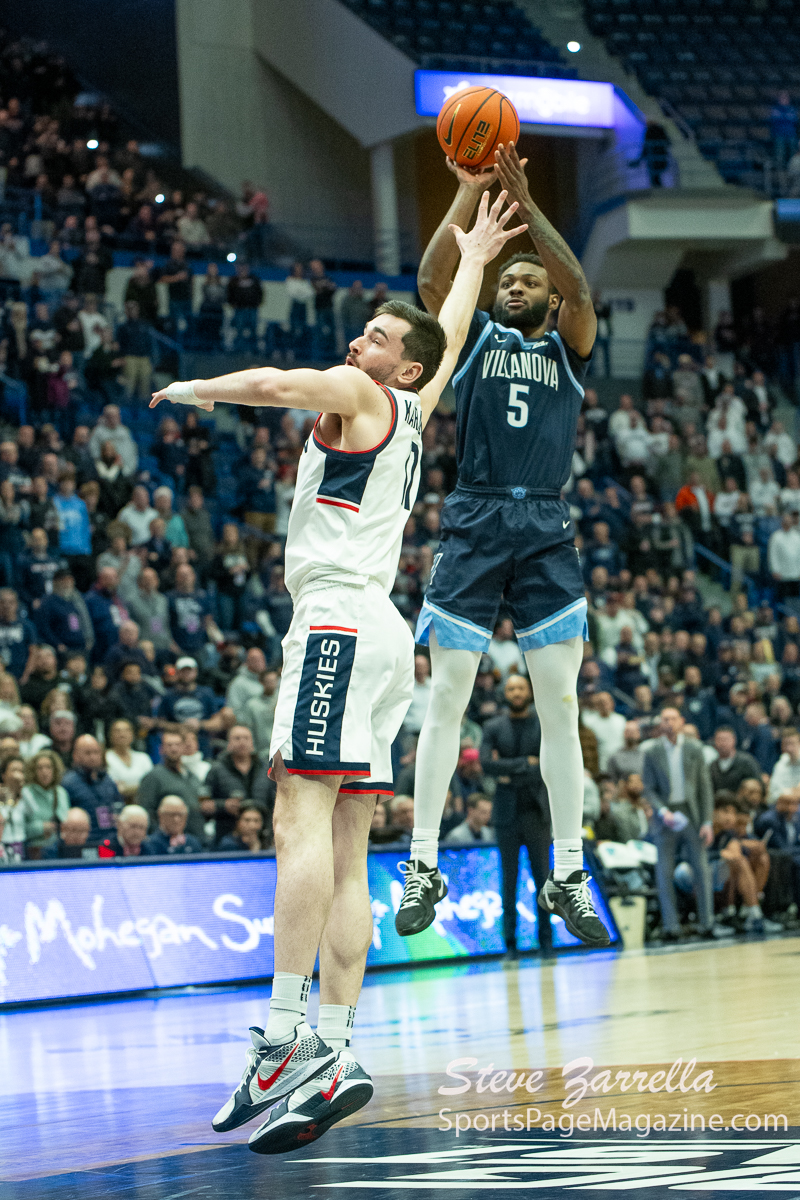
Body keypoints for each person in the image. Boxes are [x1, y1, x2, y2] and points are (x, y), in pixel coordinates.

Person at [150, 186, 523, 1152]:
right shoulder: (419, 402)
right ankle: (338, 1049)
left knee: (297, 819)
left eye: (375, 338)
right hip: (384, 636)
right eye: (362, 335)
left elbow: (278, 384)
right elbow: (448, 332)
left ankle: (283, 1039)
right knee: (348, 846)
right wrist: (472, 258)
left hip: (335, 625)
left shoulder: (363, 395)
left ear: (400, 366)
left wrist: (199, 389)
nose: (358, 344)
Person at [401, 141, 607, 949]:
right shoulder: (475, 339)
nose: (515, 286)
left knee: (562, 706)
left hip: (546, 527)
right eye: (506, 280)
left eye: (528, 281)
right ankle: (423, 863)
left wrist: (530, 199)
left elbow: (580, 288)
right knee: (447, 697)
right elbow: (431, 284)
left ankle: (569, 873)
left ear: (548, 299)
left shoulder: (568, 345)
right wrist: (466, 195)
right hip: (477, 519)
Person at [479, 674, 555, 957]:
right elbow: (485, 764)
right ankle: (510, 944)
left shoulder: (543, 723)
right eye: (511, 689)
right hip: (506, 813)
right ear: (505, 693)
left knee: (543, 879)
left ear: (529, 691)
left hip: (537, 811)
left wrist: (508, 769)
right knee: (508, 881)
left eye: (520, 688)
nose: (516, 693)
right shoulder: (493, 726)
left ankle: (546, 941)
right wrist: (526, 763)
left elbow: (549, 762)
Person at [642, 707, 716, 941]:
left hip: (691, 813)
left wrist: (707, 821)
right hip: (665, 814)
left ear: (681, 721)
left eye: (673, 718)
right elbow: (648, 788)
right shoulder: (651, 751)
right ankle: (671, 927)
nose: (669, 723)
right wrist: (662, 810)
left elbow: (705, 787)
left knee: (701, 869)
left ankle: (707, 924)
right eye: (665, 719)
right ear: (660, 724)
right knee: (664, 872)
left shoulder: (694, 748)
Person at [204, 724, 273, 844]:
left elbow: (274, 801)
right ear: (228, 743)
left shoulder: (265, 768)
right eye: (237, 738)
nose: (242, 742)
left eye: (246, 738)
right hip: (228, 837)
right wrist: (223, 805)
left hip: (263, 837)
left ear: (252, 742)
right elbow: (203, 805)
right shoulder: (216, 770)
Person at [137, 729, 207, 839]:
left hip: (196, 838)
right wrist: (160, 837)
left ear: (184, 747)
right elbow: (146, 811)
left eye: (177, 745)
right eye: (169, 745)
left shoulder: (192, 776)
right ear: (161, 749)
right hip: (168, 841)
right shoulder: (153, 776)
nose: (174, 749)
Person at [62, 734, 124, 845]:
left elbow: (119, 807)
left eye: (96, 752)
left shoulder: (108, 780)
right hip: (83, 842)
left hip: (111, 841)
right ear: (75, 756)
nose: (93, 757)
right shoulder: (67, 783)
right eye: (88, 753)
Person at [20, 748, 70, 858]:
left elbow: (66, 820)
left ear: (55, 770)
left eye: (48, 767)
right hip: (34, 849)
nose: (44, 772)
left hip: (59, 848)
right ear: (33, 771)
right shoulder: (26, 792)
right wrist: (42, 828)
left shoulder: (61, 792)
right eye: (40, 768)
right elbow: (20, 828)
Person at [104, 717, 154, 800]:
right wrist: (140, 787)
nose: (122, 735)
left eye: (126, 730)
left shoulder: (143, 758)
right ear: (110, 735)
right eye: (117, 731)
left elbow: (151, 786)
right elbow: (111, 789)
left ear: (133, 735)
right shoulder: (105, 757)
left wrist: (126, 789)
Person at [242, 668, 280, 756]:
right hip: (260, 752)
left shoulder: (285, 702)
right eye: (269, 681)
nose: (272, 684)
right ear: (262, 682)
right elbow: (248, 729)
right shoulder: (252, 705)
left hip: (281, 752)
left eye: (274, 680)